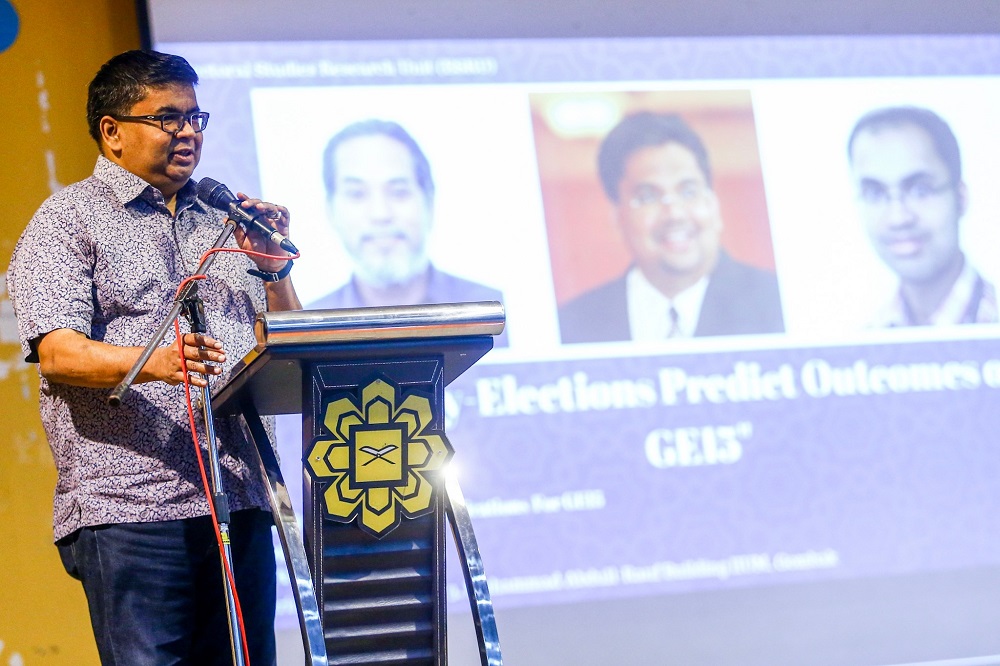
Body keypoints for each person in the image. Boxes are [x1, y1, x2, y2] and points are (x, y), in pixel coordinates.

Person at [7, 50, 301, 665]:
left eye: (196, 117)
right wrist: (154, 360)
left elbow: (292, 345)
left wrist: (274, 272)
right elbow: (58, 352)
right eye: (168, 118)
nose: (189, 132)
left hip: (237, 500)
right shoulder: (67, 220)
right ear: (112, 131)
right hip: (133, 507)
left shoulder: (224, 218)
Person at [557, 111, 784, 343]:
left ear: (713, 205)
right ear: (617, 217)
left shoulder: (781, 305)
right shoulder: (571, 326)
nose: (674, 214)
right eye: (647, 197)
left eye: (688, 191)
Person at [311, 119, 508, 345]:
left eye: (399, 192)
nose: (380, 214)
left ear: (429, 201)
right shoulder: (308, 325)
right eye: (356, 194)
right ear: (330, 210)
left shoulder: (493, 312)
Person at [847, 105, 997, 326]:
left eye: (921, 190)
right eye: (875, 193)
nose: (898, 218)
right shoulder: (863, 342)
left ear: (961, 198)